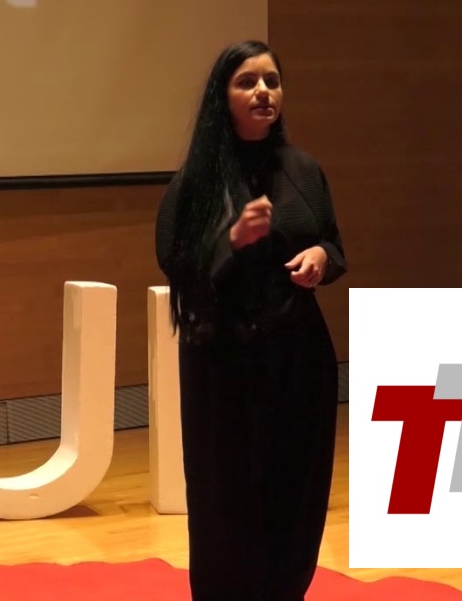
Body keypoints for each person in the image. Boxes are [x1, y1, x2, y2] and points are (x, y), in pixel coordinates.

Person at [154, 39, 347, 600]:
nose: (263, 91)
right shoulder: (197, 182)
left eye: (271, 80)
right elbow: (177, 267)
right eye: (247, 82)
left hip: (299, 356)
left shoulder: (303, 169)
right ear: (224, 97)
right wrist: (232, 240)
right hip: (226, 363)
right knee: (230, 495)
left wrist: (321, 258)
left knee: (297, 485)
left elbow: (334, 244)